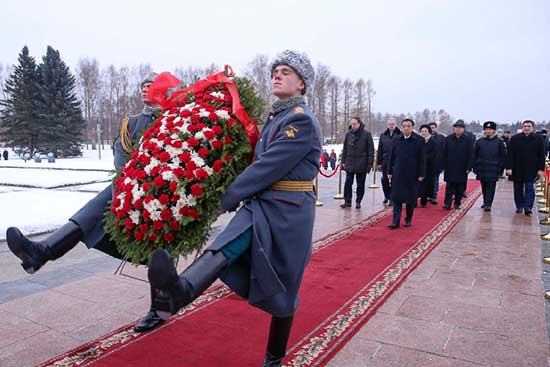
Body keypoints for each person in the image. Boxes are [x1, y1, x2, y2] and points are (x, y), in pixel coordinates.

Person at [146, 50, 321, 367]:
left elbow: (267, 167)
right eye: (275, 71)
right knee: (224, 247)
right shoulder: (277, 118)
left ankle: (273, 359)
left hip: (289, 214)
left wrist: (223, 200)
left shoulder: (301, 121)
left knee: (284, 291)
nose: (276, 75)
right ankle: (179, 291)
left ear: (302, 84)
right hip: (261, 206)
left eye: (285, 71)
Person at [5, 73, 167, 333]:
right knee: (96, 207)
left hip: (163, 195)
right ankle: (40, 253)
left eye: (152, 86)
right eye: (143, 87)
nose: (146, 91)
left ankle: (160, 307)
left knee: (159, 250)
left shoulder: (176, 120)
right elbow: (121, 158)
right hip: (129, 190)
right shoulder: (133, 123)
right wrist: (129, 185)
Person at [387, 119, 426, 228]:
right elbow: (392, 156)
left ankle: (408, 219)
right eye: (404, 126)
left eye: (408, 126)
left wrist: (421, 173)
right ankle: (396, 221)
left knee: (410, 198)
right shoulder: (396, 139)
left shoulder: (419, 140)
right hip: (398, 173)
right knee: (396, 197)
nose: (406, 128)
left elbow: (422, 159)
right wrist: (389, 171)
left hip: (412, 173)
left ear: (412, 127)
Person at [506, 120, 546, 215]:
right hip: (517, 167)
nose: (526, 128)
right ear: (522, 127)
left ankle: (528, 207)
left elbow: (541, 155)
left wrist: (541, 169)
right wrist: (509, 168)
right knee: (518, 188)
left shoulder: (538, 138)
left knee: (530, 188)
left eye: (528, 126)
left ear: (532, 128)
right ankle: (519, 206)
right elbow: (510, 154)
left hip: (532, 168)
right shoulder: (515, 138)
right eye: (525, 126)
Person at [340, 117, 374, 209]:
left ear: (359, 123)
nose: (353, 125)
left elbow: (370, 150)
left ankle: (358, 201)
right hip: (350, 162)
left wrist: (369, 164)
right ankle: (347, 201)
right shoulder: (349, 134)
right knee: (348, 183)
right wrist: (343, 161)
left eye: (355, 124)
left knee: (360, 184)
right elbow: (345, 148)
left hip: (362, 163)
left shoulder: (366, 134)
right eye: (352, 124)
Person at [473, 121, 506, 211]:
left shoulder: (499, 142)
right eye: (486, 129)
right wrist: (475, 166)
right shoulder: (479, 141)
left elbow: (503, 156)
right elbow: (474, 154)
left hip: (493, 168)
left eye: (490, 129)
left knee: (491, 187)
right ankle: (485, 201)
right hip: (482, 168)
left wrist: (501, 168)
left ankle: (488, 204)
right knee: (484, 186)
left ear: (494, 131)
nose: (488, 131)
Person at [442, 119, 473, 209]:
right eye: (456, 127)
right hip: (450, 166)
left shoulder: (468, 140)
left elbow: (470, 155)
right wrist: (444, 165)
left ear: (463, 129)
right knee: (449, 186)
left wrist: (468, 167)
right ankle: (447, 203)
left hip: (462, 167)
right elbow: (444, 153)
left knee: (460, 187)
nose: (458, 129)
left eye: (460, 128)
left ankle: (457, 202)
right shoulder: (448, 139)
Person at [376, 117, 401, 206]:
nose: (391, 126)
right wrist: (378, 163)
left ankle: (392, 198)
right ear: (387, 125)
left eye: (393, 124)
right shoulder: (383, 135)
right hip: (385, 161)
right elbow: (380, 150)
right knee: (384, 180)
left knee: (395, 181)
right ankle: (387, 196)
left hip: (396, 162)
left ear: (396, 124)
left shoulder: (400, 134)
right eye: (389, 124)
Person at [418, 124, 436, 208]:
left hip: (428, 167)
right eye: (422, 131)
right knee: (417, 184)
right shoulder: (417, 141)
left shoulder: (433, 142)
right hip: (418, 166)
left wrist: (424, 158)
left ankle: (423, 201)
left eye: (425, 131)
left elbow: (434, 154)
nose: (423, 133)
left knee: (425, 185)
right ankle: (414, 200)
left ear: (429, 132)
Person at [429, 121, 445, 203]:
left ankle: (434, 196)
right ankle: (429, 195)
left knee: (435, 180)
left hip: (437, 163)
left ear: (436, 128)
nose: (432, 129)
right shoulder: (424, 137)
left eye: (433, 128)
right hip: (427, 164)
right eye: (430, 128)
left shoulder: (441, 138)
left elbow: (444, 151)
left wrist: (443, 164)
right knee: (428, 181)